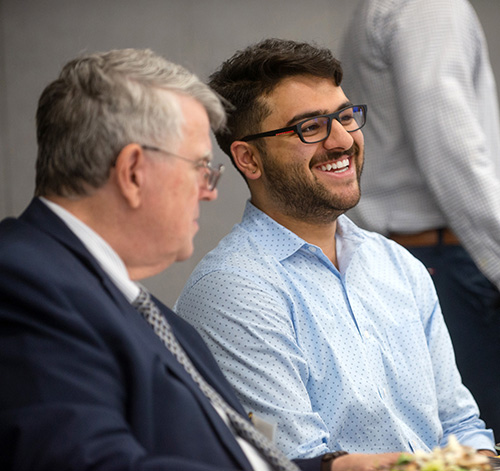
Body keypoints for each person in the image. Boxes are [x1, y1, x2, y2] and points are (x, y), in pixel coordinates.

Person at [0, 47, 340, 471]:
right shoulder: (22, 283)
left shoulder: (149, 314)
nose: (210, 190)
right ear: (134, 173)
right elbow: (85, 461)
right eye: (200, 167)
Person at [174, 38, 497, 462]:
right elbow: (298, 461)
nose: (342, 140)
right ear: (249, 159)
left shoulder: (397, 264)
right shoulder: (234, 289)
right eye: (310, 127)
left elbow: (459, 424)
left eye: (345, 116)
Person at [338, 0, 500, 435]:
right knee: (472, 443)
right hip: (451, 257)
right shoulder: (429, 6)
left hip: (439, 253)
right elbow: (453, 154)